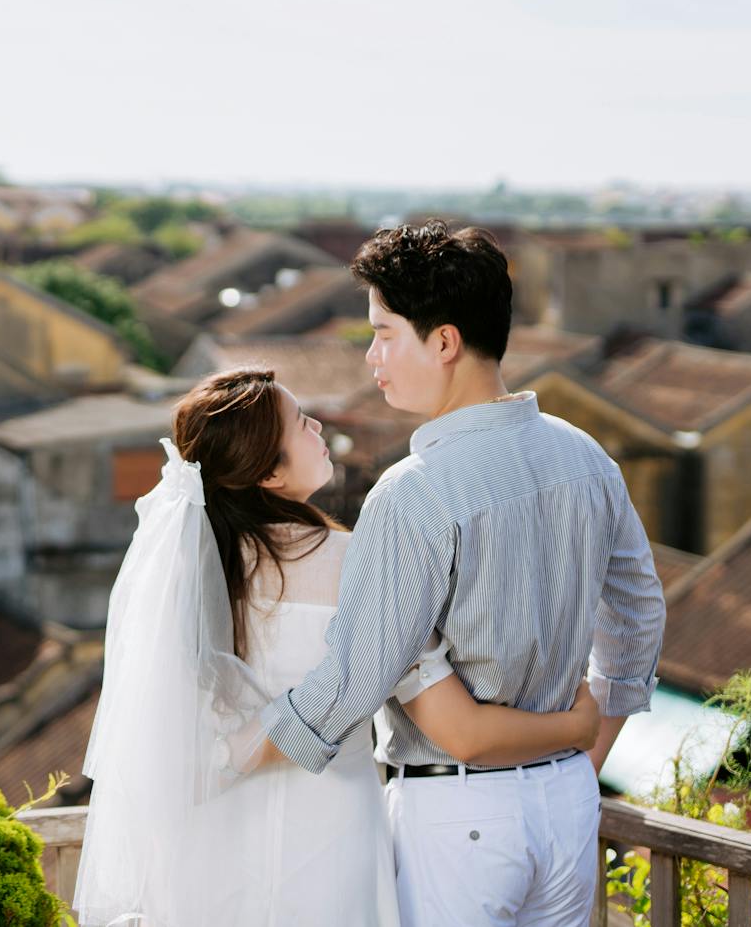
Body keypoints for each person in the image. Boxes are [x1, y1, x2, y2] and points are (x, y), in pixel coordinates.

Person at [73, 367, 601, 927]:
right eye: (301, 423)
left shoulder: (183, 582)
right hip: (330, 832)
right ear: (270, 475)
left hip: (206, 842)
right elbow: (457, 726)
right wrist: (575, 728)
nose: (318, 424)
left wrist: (228, 754)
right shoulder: (358, 562)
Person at [256, 222, 667, 926]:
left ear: (444, 341)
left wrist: (236, 756)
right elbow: (639, 613)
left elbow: (356, 675)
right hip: (569, 804)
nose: (372, 359)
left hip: (459, 814)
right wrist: (583, 751)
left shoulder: (411, 491)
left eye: (384, 334)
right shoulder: (587, 456)